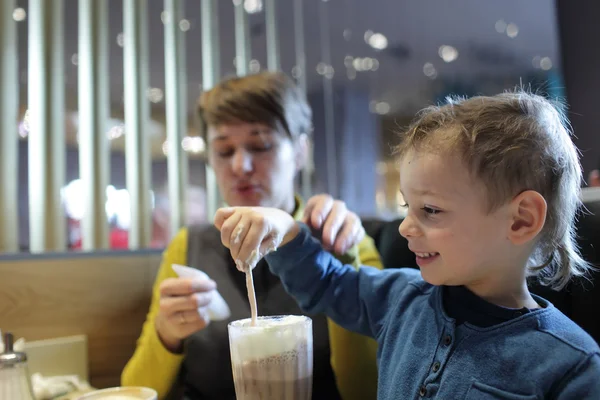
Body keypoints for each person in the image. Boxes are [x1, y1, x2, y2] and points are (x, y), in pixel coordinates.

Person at [215, 92, 600, 398]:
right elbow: (327, 284)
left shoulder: (571, 365)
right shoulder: (401, 299)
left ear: (521, 220)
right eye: (407, 207)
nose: (404, 229)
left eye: (430, 210)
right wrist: (286, 229)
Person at [122, 72, 382, 399]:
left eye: (261, 145)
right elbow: (133, 388)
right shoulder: (190, 246)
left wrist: (341, 266)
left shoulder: (341, 238)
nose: (241, 165)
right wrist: (166, 334)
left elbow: (369, 388)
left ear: (301, 152)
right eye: (224, 151)